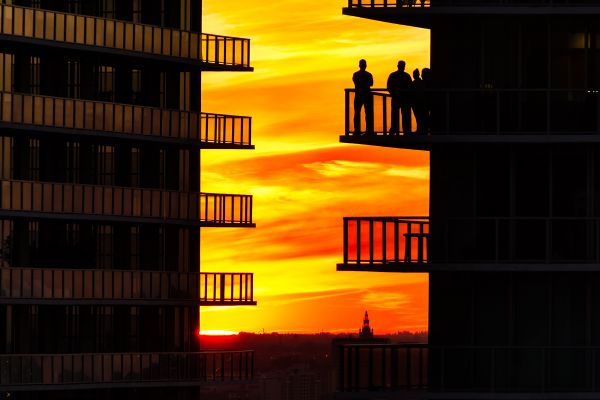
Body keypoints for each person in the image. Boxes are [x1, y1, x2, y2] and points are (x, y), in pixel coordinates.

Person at [387, 60, 413, 135]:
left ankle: (394, 129)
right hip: (404, 99)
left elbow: (389, 86)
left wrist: (393, 94)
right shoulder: (407, 76)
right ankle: (406, 130)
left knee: (395, 115)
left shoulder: (393, 75)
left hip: (397, 98)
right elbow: (410, 88)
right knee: (404, 115)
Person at [352, 59, 374, 135]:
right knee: (368, 113)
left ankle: (357, 130)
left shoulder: (355, 74)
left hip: (358, 95)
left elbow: (355, 82)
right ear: (365, 66)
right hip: (367, 95)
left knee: (357, 113)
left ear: (359, 65)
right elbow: (371, 84)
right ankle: (369, 130)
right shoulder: (369, 75)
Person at [412, 69, 426, 134]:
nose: (413, 75)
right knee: (419, 117)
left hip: (417, 102)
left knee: (418, 117)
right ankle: (420, 130)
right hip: (420, 102)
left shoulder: (413, 83)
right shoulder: (422, 82)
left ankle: (420, 130)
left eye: (414, 74)